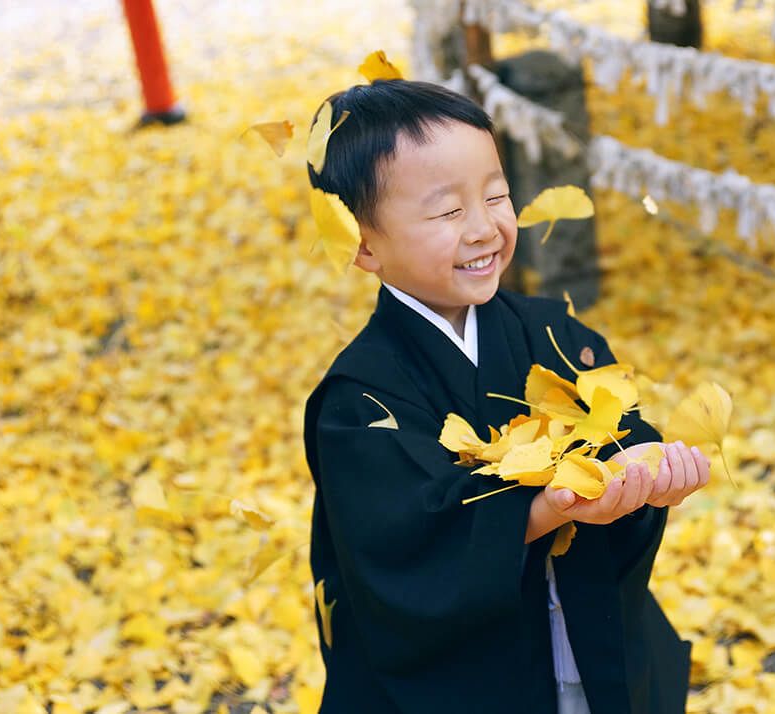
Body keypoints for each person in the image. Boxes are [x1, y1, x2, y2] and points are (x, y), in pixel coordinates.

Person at [302, 79, 710, 714]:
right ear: (363, 242)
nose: (484, 226)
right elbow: (407, 540)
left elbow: (620, 429)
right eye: (446, 211)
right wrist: (547, 507)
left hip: (579, 636)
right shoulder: (363, 399)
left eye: (496, 194)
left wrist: (649, 474)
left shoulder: (551, 330)